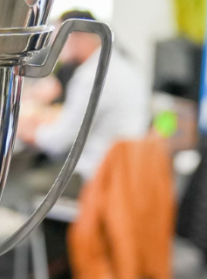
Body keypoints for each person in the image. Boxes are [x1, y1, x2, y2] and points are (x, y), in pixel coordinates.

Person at [17, 10, 150, 195]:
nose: (57, 49)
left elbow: (60, 141)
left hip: (96, 175)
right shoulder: (122, 65)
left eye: (60, 40)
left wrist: (26, 132)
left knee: (23, 183)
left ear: (78, 37)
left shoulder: (90, 75)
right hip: (125, 171)